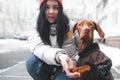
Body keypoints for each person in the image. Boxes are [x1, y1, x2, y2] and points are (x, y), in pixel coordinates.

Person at [25, 0, 80, 80]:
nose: (51, 12)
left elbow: (83, 49)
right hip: (47, 64)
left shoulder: (73, 26)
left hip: (68, 67)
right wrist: (59, 55)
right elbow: (38, 47)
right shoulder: (36, 27)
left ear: (60, 9)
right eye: (47, 7)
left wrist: (73, 63)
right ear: (42, 9)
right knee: (32, 61)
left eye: (55, 7)